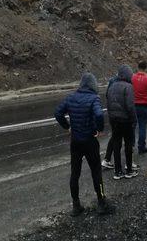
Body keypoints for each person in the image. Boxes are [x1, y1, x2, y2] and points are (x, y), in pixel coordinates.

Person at [54, 73, 115, 216]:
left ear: (81, 84)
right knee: (96, 172)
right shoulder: (94, 98)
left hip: (75, 141)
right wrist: (99, 130)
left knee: (75, 173)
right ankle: (101, 203)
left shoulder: (70, 97)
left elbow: (58, 113)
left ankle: (76, 206)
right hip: (89, 141)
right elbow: (99, 115)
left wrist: (68, 127)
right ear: (93, 84)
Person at [106, 65, 138, 179]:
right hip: (126, 120)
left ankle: (117, 171)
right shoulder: (128, 87)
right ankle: (129, 170)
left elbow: (108, 102)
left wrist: (111, 117)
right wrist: (134, 120)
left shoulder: (112, 86)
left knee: (116, 145)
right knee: (128, 145)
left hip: (114, 120)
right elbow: (130, 106)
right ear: (128, 75)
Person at [132, 61, 147, 154]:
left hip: (133, 105)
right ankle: (141, 147)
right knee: (142, 126)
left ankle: (131, 146)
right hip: (143, 105)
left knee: (132, 126)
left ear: (138, 67)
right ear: (146, 68)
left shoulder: (132, 77)